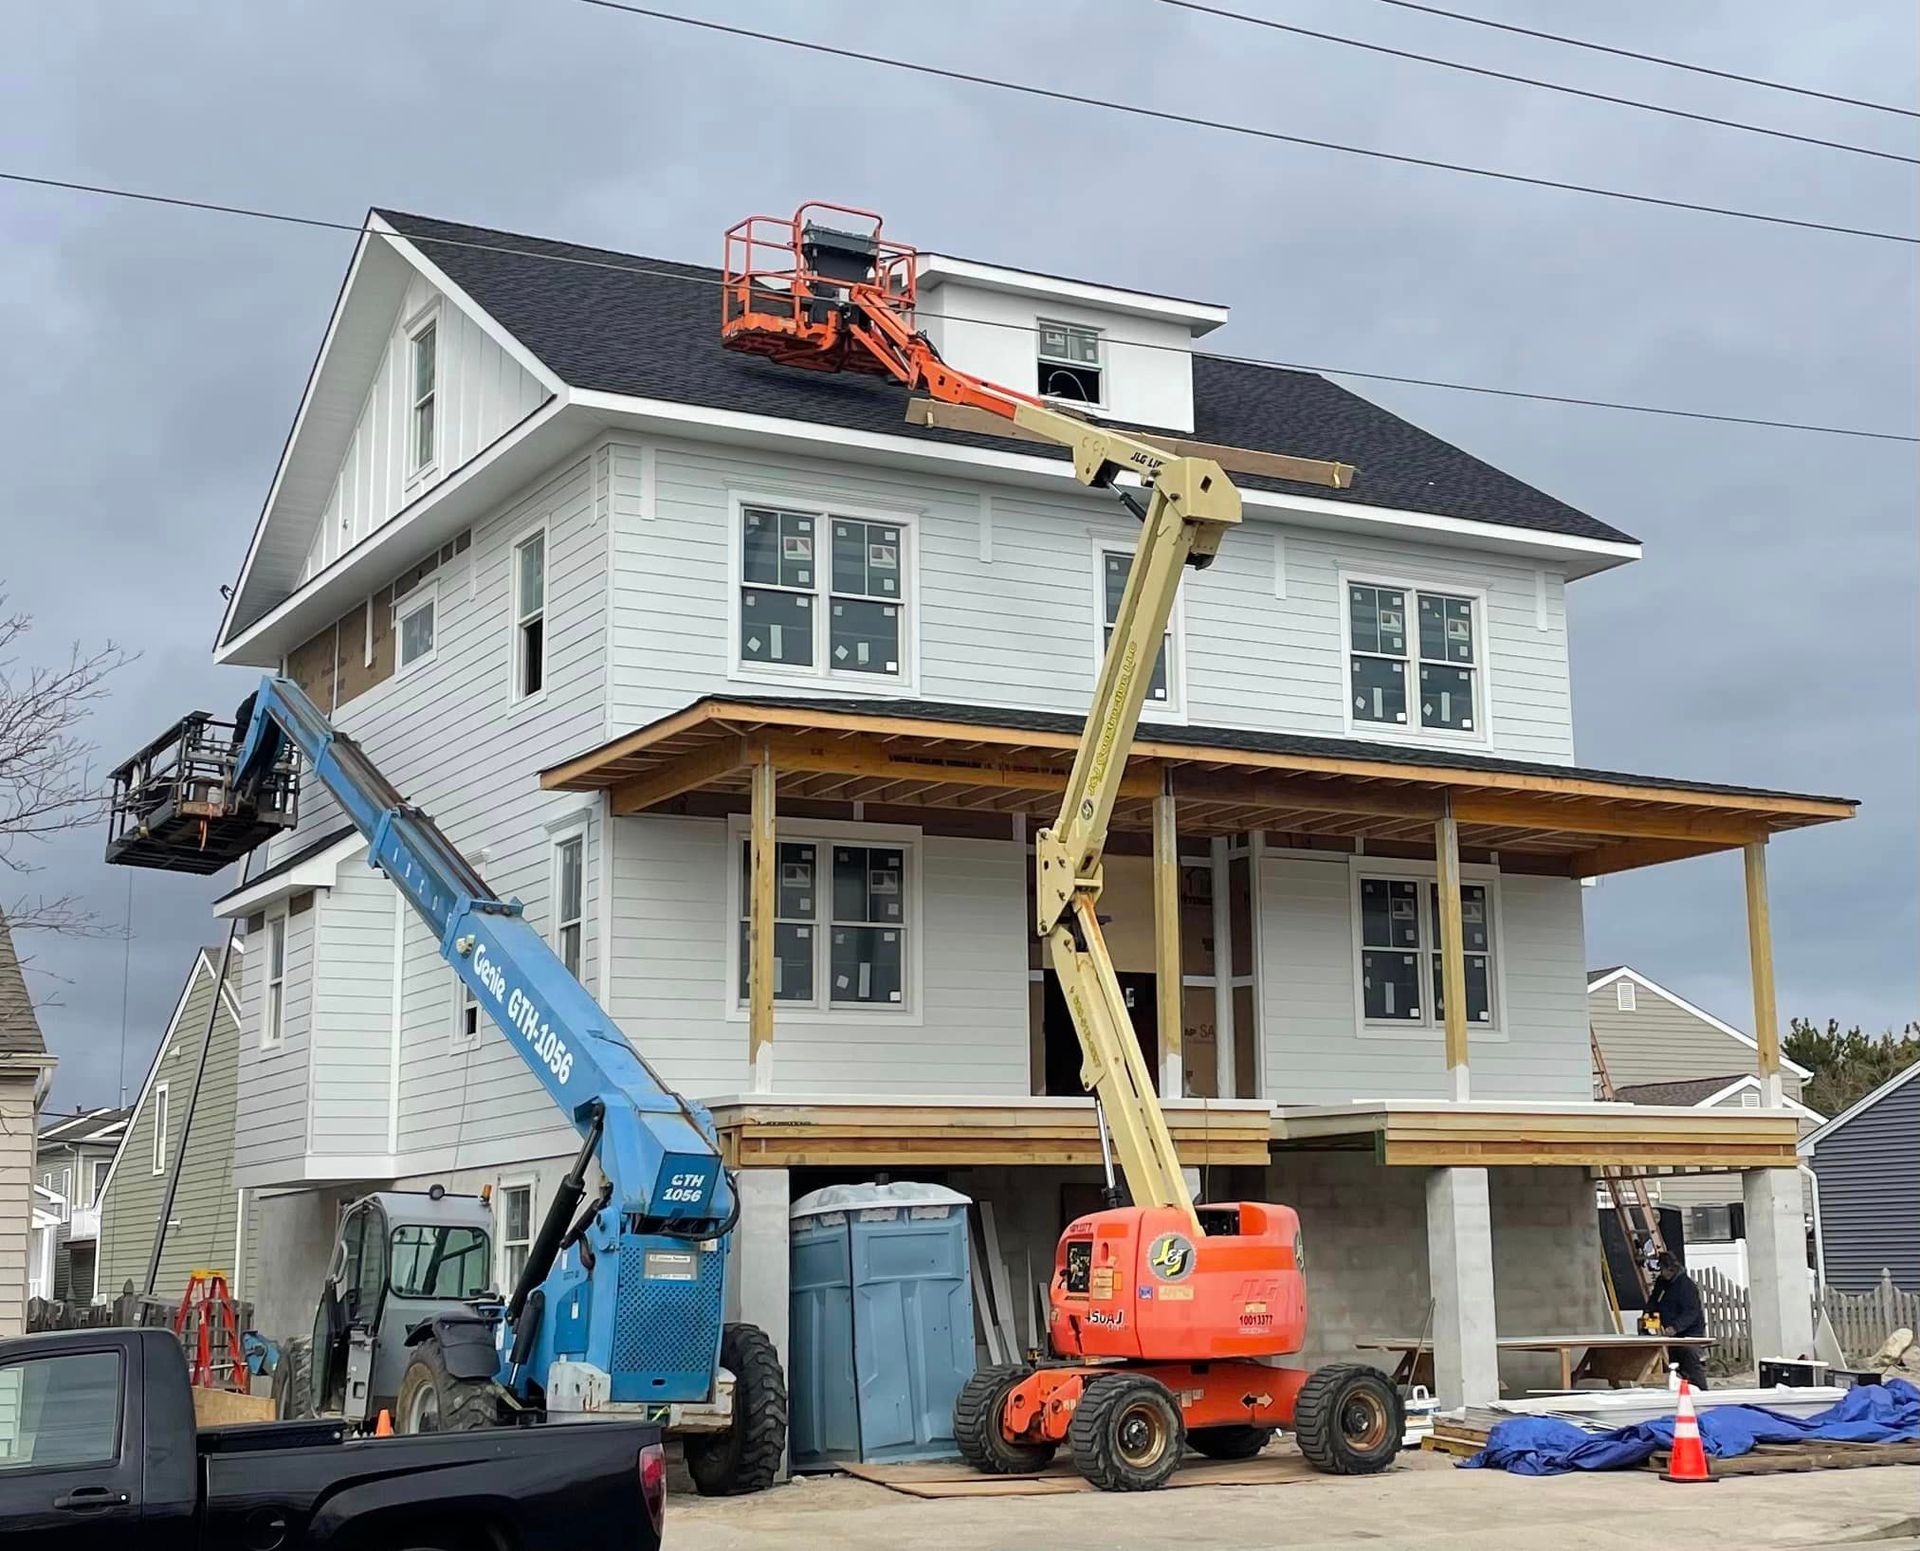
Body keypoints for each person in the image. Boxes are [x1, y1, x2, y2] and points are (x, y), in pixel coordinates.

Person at [1641, 1247, 1709, 1390]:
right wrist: (1647, 1314)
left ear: (1672, 1269)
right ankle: (1683, 1392)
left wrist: (1676, 1327)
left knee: (1690, 1362)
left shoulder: (1686, 1286)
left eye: (1664, 1270)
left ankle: (1702, 1392)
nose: (1662, 1273)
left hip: (1690, 1333)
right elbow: (1654, 1300)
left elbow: (1691, 1312)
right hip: (1673, 1333)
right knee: (1676, 1366)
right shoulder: (1662, 1282)